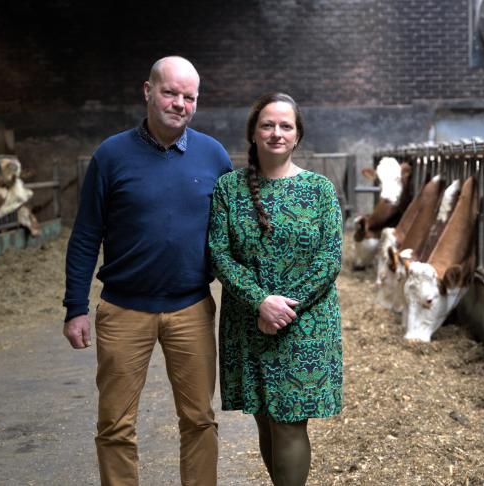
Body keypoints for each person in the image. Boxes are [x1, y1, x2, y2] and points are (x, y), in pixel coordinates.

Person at [62, 56, 233, 486]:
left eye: (189, 97)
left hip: (191, 307)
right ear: (148, 91)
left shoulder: (213, 156)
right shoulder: (111, 155)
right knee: (116, 425)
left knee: (199, 420)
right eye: (170, 92)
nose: (179, 103)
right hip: (123, 310)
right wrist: (75, 307)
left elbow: (238, 230)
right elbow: (86, 235)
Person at [208, 92, 343, 486]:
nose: (276, 133)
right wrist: (259, 302)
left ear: (297, 135)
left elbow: (329, 260)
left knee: (288, 423)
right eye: (267, 124)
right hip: (248, 322)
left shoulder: (319, 189)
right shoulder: (228, 189)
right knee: (265, 420)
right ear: (253, 132)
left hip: (304, 325)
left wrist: (285, 309)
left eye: (286, 126)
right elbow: (219, 253)